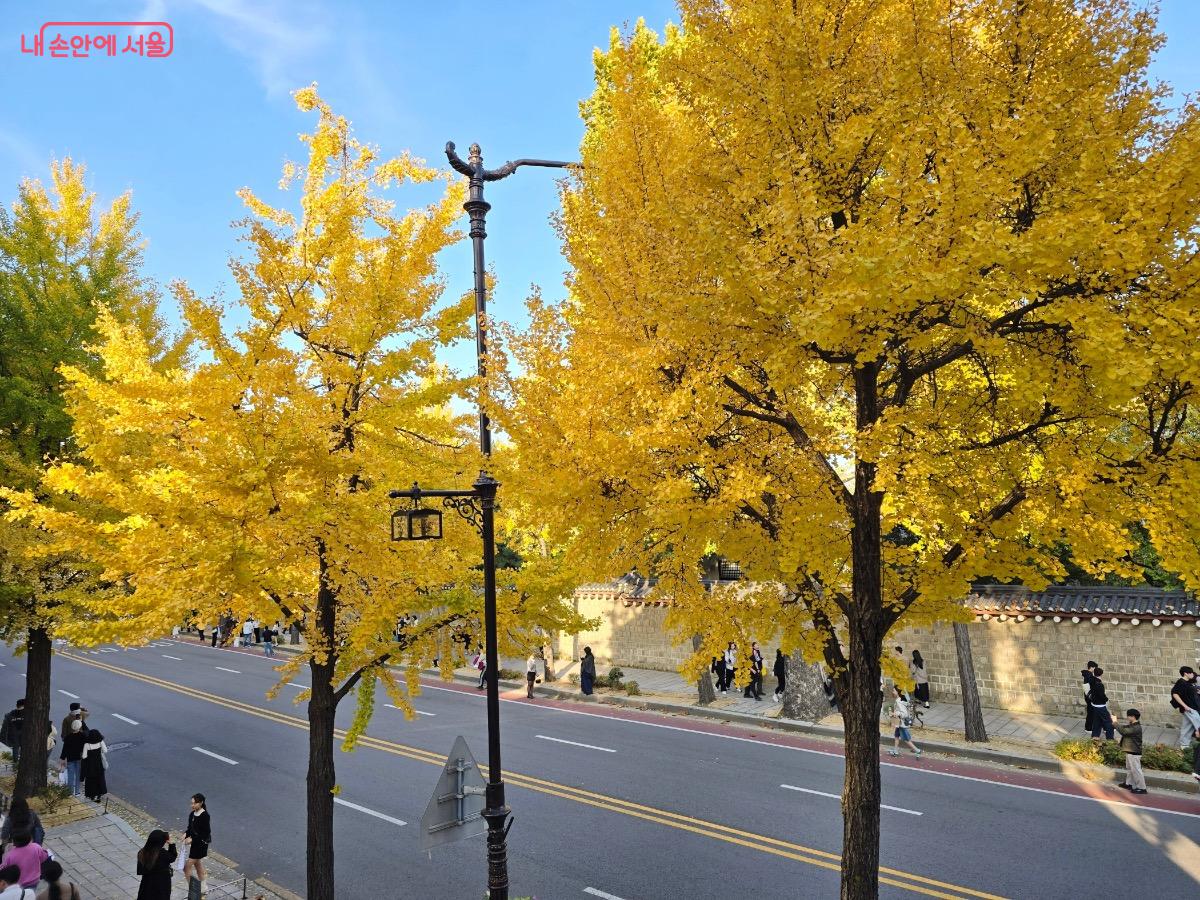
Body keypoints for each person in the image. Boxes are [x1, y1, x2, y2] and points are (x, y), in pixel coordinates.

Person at [136, 829, 177, 900]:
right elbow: (172, 857)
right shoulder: (162, 854)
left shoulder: (142, 852)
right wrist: (171, 845)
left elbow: (140, 870)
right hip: (161, 885)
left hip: (147, 884)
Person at [1113, 708, 1147, 794]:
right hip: (1130, 751)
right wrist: (1115, 723)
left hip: (1134, 752)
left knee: (1136, 770)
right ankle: (1129, 784)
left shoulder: (1136, 727)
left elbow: (1124, 731)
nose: (1127, 717)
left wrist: (1115, 722)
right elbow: (1123, 728)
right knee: (1130, 769)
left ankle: (1142, 788)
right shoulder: (1132, 725)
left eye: (1128, 716)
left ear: (1133, 717)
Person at [183, 793, 210, 891]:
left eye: (195, 803)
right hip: (194, 845)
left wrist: (192, 839)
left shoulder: (205, 816)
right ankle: (203, 888)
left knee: (186, 867)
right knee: (198, 864)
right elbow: (190, 828)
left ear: (201, 803)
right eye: (192, 803)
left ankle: (194, 890)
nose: (192, 805)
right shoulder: (192, 814)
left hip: (200, 845)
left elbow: (205, 833)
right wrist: (185, 834)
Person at [1170, 666, 1200, 750]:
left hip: (1193, 707)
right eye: (1190, 673)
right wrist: (1185, 706)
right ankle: (1185, 744)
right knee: (1198, 723)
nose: (1192, 674)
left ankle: (1184, 745)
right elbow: (1175, 694)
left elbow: (1189, 692)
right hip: (1189, 708)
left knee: (1187, 726)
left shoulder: (1188, 681)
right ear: (1186, 673)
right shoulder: (1181, 682)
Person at [887, 685, 922, 757]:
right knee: (896, 736)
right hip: (899, 723)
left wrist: (896, 713)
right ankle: (895, 751)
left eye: (894, 690)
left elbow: (904, 714)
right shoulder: (900, 700)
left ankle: (917, 750)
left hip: (901, 723)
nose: (892, 692)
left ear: (898, 692)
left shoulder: (899, 702)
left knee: (906, 739)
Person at [59, 720, 86, 797]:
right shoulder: (83, 736)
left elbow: (64, 749)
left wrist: (62, 758)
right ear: (80, 726)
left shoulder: (68, 737)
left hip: (70, 758)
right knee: (78, 775)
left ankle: (69, 792)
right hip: (79, 758)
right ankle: (77, 792)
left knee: (70, 775)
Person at [81, 727, 108, 802]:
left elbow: (84, 756)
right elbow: (105, 751)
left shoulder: (87, 745)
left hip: (90, 765)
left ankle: (92, 795)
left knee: (91, 781)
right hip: (99, 764)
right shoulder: (100, 742)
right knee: (99, 779)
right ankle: (99, 795)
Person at [1088, 666, 1115, 741]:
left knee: (1097, 721)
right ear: (1101, 674)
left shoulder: (1092, 681)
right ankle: (1110, 739)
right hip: (1100, 706)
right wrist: (1106, 699)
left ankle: (1095, 737)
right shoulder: (1099, 684)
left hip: (1094, 705)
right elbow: (1102, 695)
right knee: (1108, 722)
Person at [1, 700, 25, 768]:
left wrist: (3, 739)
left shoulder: (10, 714)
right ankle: (23, 764)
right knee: (24, 749)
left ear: (17, 705)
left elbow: (4, 728)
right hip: (25, 736)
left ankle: (15, 764)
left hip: (13, 736)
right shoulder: (27, 714)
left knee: (15, 749)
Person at [1081, 661, 1098, 733]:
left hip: (1088, 696)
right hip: (1090, 697)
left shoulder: (1087, 675)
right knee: (1090, 712)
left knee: (1091, 712)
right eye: (1094, 668)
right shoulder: (1089, 676)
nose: (1095, 669)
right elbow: (1091, 687)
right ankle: (1088, 728)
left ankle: (1089, 727)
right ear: (1091, 667)